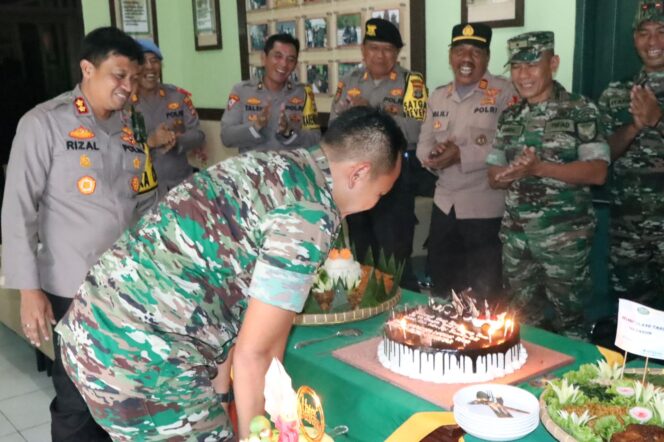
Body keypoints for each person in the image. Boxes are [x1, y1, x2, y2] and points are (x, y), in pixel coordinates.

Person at [55, 106, 404, 441]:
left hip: (92, 328)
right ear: (358, 174)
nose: (376, 203)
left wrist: (222, 397)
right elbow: (257, 353)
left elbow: (227, 298)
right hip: (142, 361)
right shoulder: (310, 214)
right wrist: (257, 434)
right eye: (381, 193)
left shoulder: (273, 164)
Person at [1, 27, 158, 441]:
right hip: (71, 289)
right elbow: (18, 211)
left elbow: (144, 201)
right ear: (87, 69)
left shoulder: (131, 128)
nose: (128, 87)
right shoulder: (44, 123)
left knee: (124, 392)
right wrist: (29, 290)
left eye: (133, 78)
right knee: (76, 400)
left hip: (127, 287)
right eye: (119, 76)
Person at [486, 32, 610, 339]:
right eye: (516, 67)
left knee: (572, 323)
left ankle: (576, 384)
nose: (523, 75)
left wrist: (541, 168)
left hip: (564, 241)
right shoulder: (510, 116)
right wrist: (509, 173)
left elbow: (597, 172)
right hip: (517, 239)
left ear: (552, 63)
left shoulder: (581, 109)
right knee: (522, 321)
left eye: (532, 65)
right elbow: (493, 174)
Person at [416, 22, 517, 300]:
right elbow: (424, 143)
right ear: (451, 55)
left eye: (475, 51)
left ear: (487, 57)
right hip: (444, 205)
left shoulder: (505, 93)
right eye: (460, 50)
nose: (467, 59)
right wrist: (433, 158)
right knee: (442, 288)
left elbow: (509, 145)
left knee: (485, 295)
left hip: (485, 207)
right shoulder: (438, 96)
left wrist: (461, 154)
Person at [331, 18, 430, 291]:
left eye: (387, 49)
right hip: (356, 178)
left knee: (394, 249)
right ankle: (368, 309)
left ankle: (405, 314)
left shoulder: (412, 83)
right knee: (362, 247)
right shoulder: (349, 82)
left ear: (397, 53)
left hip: (394, 175)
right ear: (363, 50)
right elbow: (335, 128)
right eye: (373, 48)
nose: (379, 55)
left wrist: (372, 110)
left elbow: (415, 131)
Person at [598, 0, 664, 311]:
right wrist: (635, 127)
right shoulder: (616, 92)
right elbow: (601, 155)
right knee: (633, 326)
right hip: (630, 235)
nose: (654, 42)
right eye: (644, 33)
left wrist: (657, 119)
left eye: (662, 31)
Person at [221, 33, 321, 153]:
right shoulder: (242, 91)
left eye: (290, 59)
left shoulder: (303, 93)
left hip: (290, 169)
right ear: (264, 58)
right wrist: (256, 126)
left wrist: (288, 132)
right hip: (254, 169)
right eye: (278, 56)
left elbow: (315, 139)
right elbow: (226, 137)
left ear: (295, 65)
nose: (284, 64)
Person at [132, 39, 205, 197]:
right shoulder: (123, 104)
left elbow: (198, 135)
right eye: (143, 61)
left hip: (180, 186)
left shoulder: (178, 97)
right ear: (133, 67)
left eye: (155, 61)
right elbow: (117, 148)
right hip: (142, 192)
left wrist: (176, 140)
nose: (150, 67)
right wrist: (150, 142)